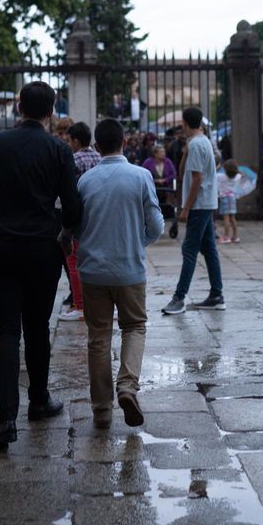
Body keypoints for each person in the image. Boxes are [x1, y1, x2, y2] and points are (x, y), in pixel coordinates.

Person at [0, 81, 83, 451]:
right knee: (37, 326)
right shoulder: (57, 148)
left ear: (19, 105)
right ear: (51, 110)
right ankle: (39, 399)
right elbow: (72, 208)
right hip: (41, 249)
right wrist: (66, 233)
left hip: (0, 248)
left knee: (5, 329)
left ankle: (6, 416)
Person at [74, 118, 164, 429]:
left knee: (98, 338)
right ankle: (127, 386)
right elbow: (157, 226)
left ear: (97, 147)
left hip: (93, 271)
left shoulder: (85, 181)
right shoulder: (141, 176)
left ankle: (101, 409)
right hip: (129, 269)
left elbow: (74, 227)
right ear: (124, 142)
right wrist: (138, 243)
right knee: (135, 327)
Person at [162, 107, 224, 314]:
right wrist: (184, 154)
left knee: (189, 250)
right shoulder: (201, 142)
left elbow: (196, 178)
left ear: (185, 123)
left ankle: (179, 297)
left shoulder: (197, 144)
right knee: (208, 249)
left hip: (198, 204)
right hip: (206, 203)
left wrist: (186, 207)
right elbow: (183, 174)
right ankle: (216, 294)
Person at [59, 122, 102, 322]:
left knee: (74, 261)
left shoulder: (73, 159)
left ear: (75, 141)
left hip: (79, 217)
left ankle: (80, 305)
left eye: (69, 140)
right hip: (99, 215)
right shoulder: (99, 157)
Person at [216, 159, 243, 243]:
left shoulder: (222, 176)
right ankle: (235, 236)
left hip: (225, 198)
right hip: (232, 198)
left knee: (226, 218)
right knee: (232, 218)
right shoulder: (238, 177)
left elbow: (214, 175)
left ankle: (226, 237)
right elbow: (239, 174)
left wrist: (217, 167)